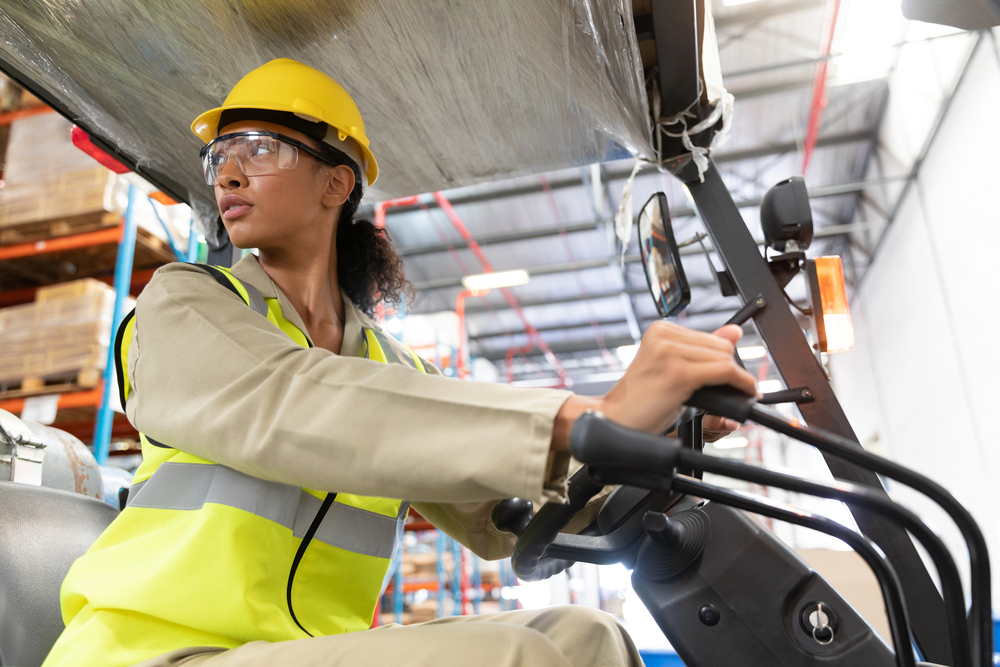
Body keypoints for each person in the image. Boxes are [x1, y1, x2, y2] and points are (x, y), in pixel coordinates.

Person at [42, 59, 755, 667]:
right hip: (146, 651)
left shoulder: (386, 362)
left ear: (335, 182)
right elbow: (304, 405)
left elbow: (500, 511)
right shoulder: (185, 307)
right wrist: (589, 416)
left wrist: (660, 438)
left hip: (291, 651)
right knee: (524, 660)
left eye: (259, 148)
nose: (226, 171)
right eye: (219, 155)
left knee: (585, 637)